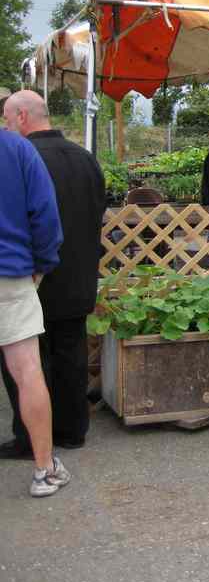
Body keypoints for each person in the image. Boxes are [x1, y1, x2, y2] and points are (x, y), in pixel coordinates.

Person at [1, 90, 106, 458]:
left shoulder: (21, 158)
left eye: (9, 120)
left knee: (28, 362)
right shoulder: (86, 159)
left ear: (23, 117)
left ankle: (30, 439)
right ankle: (74, 429)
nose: (8, 127)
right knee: (71, 353)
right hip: (79, 277)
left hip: (36, 275)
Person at [0, 126, 71, 497]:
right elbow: (45, 213)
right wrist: (41, 264)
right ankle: (44, 471)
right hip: (10, 273)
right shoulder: (17, 149)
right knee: (28, 371)